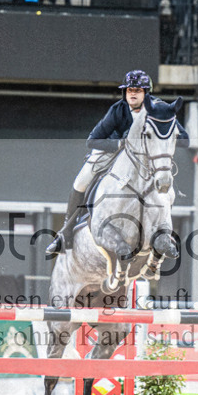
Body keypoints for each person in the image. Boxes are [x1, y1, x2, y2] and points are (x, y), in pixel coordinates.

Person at [45, 70, 154, 256]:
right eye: (129, 90)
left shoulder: (157, 111)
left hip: (144, 160)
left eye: (137, 90)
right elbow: (92, 140)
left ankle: (162, 232)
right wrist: (119, 143)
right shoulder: (117, 110)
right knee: (81, 181)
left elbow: (180, 135)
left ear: (146, 93)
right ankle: (66, 233)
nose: (132, 93)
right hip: (111, 153)